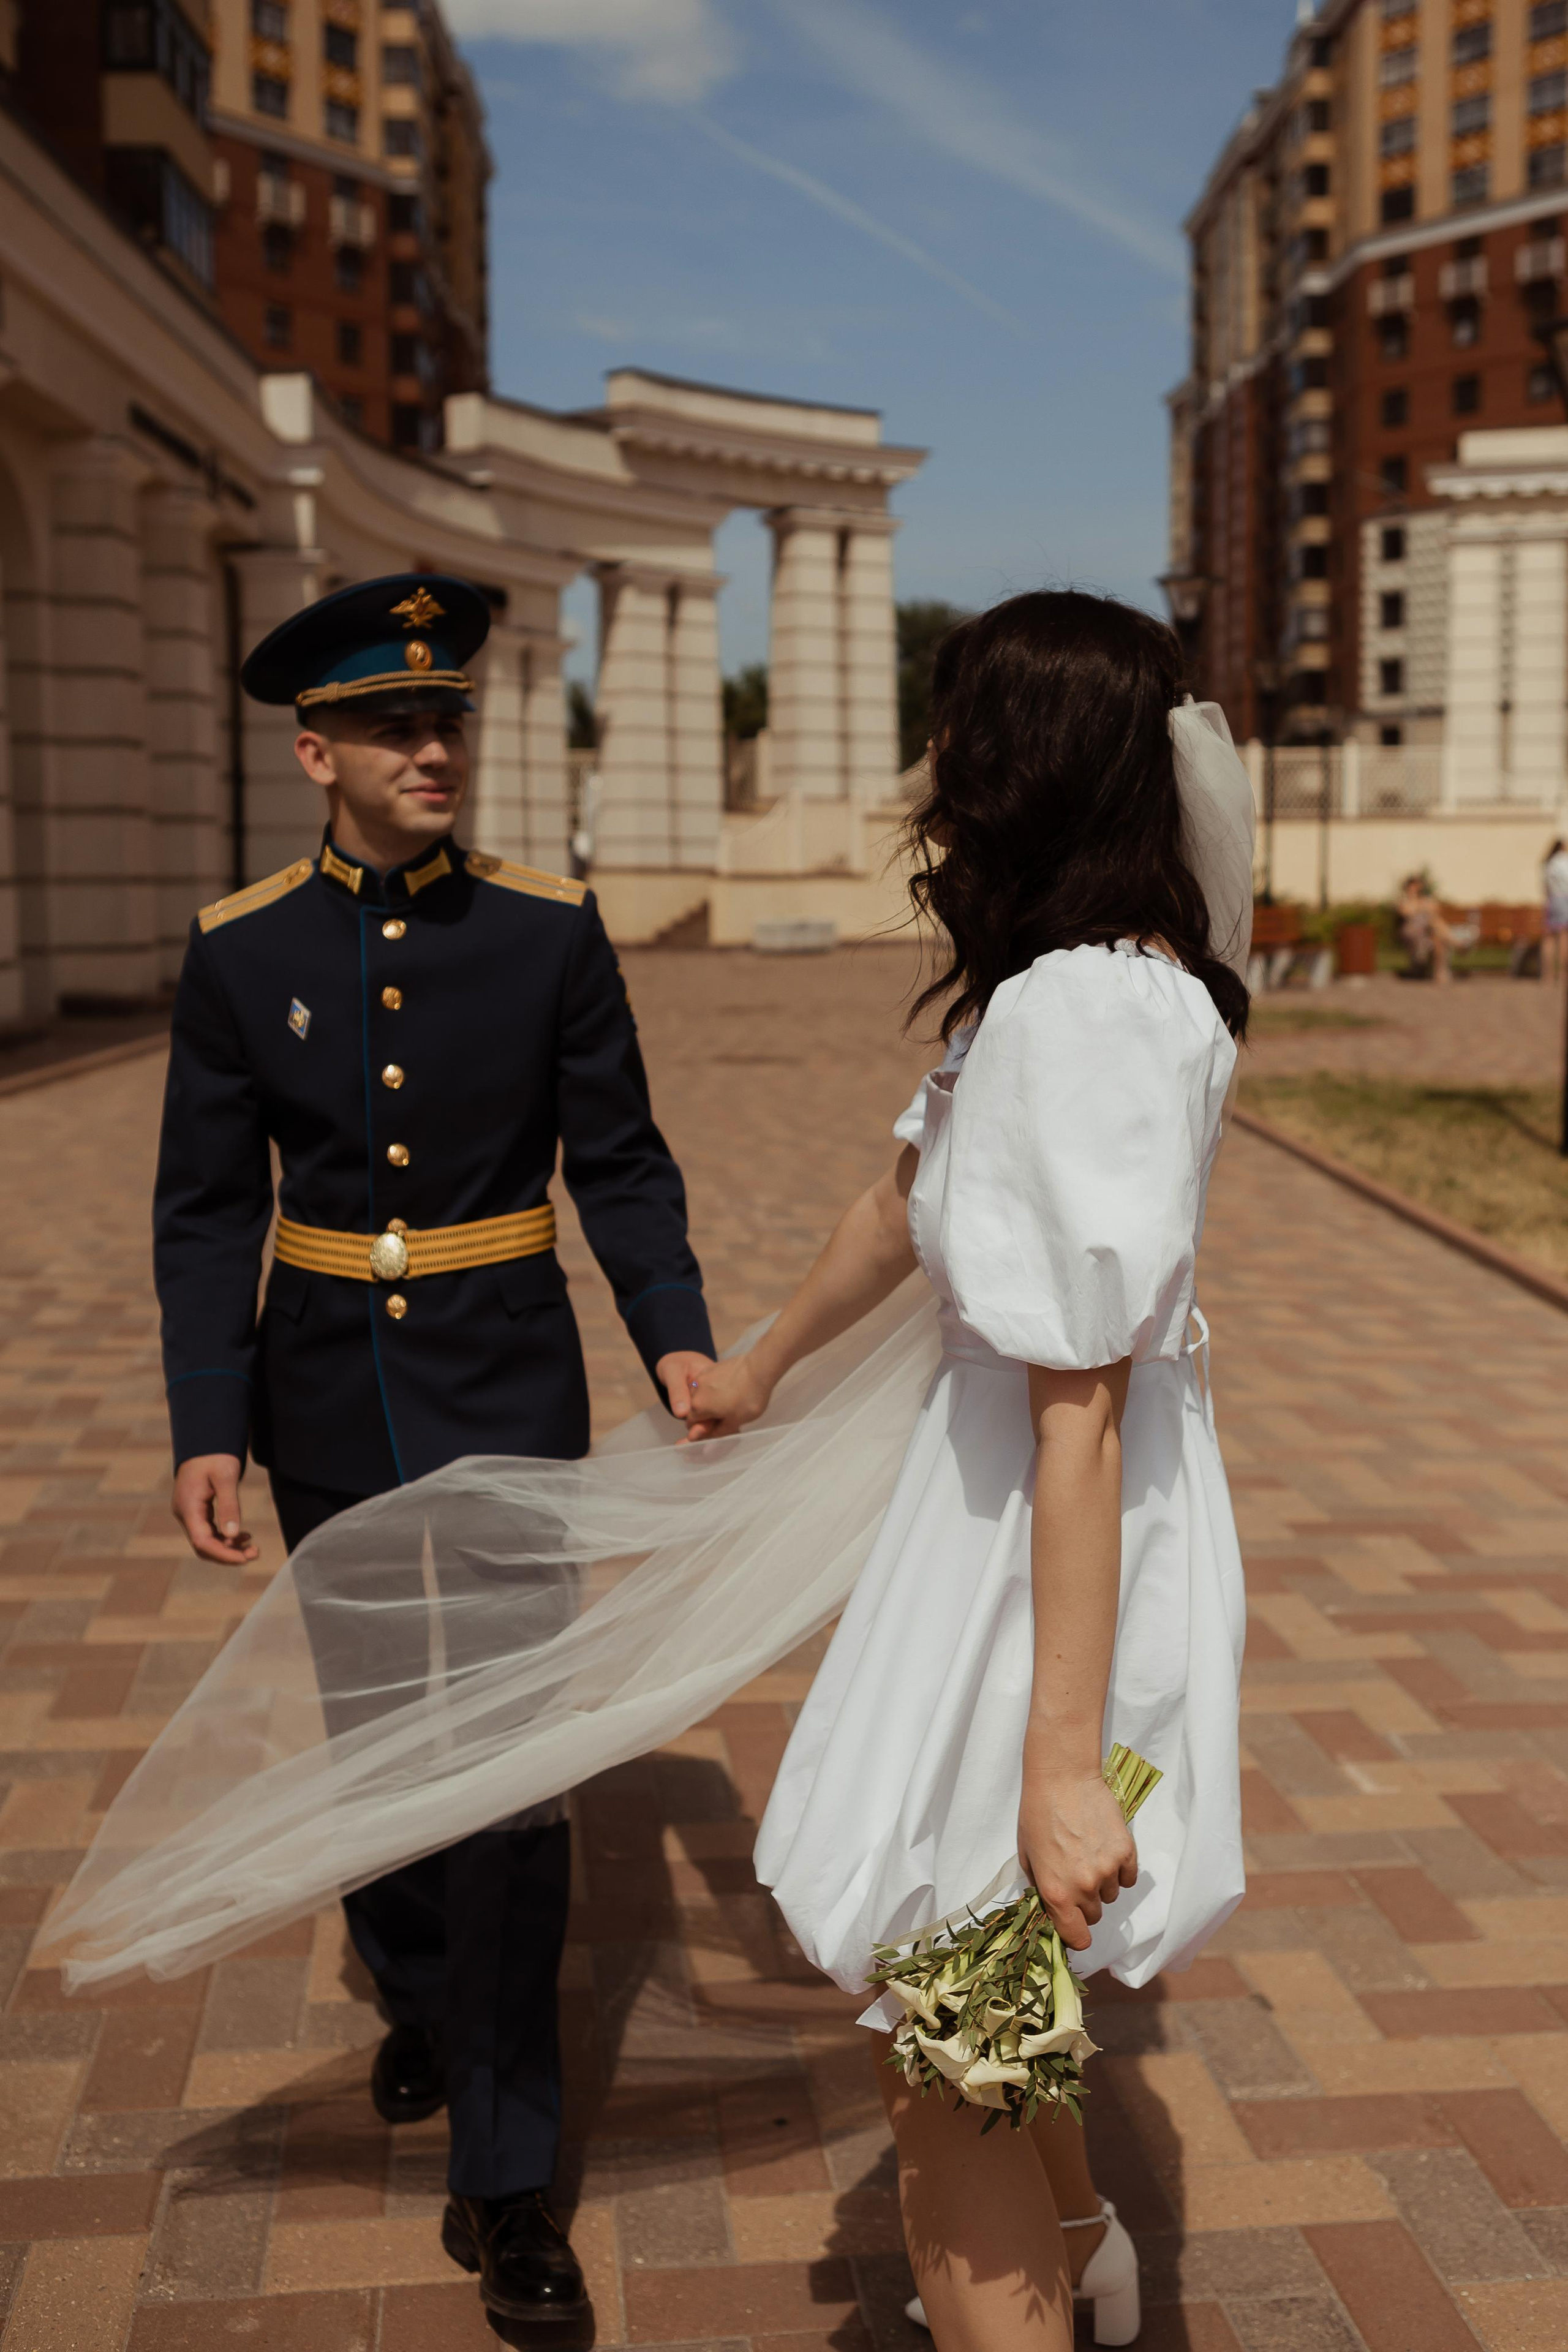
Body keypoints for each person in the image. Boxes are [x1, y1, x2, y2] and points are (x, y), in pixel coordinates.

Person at [681, 592, 1250, 2350]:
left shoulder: (1085, 1009)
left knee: (949, 2028)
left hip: (1039, 1554)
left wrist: (1058, 1765)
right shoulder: (1065, 988)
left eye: (957, 726)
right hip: (1016, 1520)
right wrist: (764, 1362)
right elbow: (902, 1198)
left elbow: (1076, 1399)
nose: (933, 762)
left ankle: (1036, 2281)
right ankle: (1079, 2248)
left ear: (1020, 755)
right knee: (973, 1999)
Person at [152, 573, 716, 2334]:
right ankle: (412, 1982)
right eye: (393, 723)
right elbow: (203, 1209)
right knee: (379, 1733)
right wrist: (207, 1420)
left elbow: (619, 1160)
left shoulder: (547, 932)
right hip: (325, 1399)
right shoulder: (242, 950)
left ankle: (508, 2168)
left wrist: (675, 1329)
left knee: (512, 1775)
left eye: (448, 716)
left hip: (504, 1389)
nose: (432, 745)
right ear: (314, 752)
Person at [1543, 837, 1568, 983]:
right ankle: (1563, 974)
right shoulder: (1564, 861)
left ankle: (1549, 975)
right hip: (1565, 899)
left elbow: (1544, 886)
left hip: (1552, 900)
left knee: (1550, 938)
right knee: (1564, 937)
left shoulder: (1549, 863)